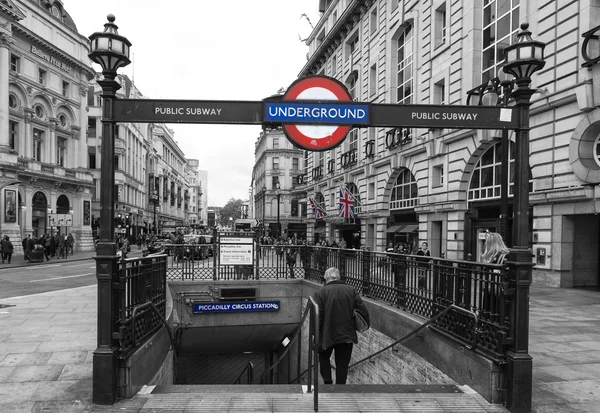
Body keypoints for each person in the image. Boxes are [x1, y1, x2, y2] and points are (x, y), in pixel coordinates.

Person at [313, 267, 370, 385]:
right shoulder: (351, 290)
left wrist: (316, 334)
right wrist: (366, 323)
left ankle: (328, 382)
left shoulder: (320, 293)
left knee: (323, 357)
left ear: (326, 278)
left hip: (326, 333)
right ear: (338, 277)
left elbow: (318, 315)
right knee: (342, 363)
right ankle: (340, 388)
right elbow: (363, 310)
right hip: (346, 333)